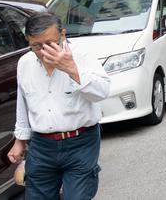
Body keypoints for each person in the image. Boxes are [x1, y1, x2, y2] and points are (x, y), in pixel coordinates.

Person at [8, 12, 110, 199]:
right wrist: (20, 139)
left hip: (81, 142)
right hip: (42, 145)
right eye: (36, 46)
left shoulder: (82, 56)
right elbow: (23, 103)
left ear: (63, 35)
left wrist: (71, 69)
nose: (43, 51)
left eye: (50, 44)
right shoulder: (25, 63)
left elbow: (102, 92)